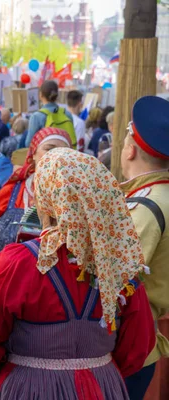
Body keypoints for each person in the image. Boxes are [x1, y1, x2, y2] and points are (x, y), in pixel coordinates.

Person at [0, 148, 156, 399]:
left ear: (48, 197)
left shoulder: (19, 262)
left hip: (29, 387)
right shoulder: (120, 263)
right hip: (101, 386)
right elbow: (138, 346)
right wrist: (96, 367)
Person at [119, 96, 169, 399]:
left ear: (130, 148)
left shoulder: (146, 206)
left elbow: (112, 279)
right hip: (144, 338)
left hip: (129, 341)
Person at [0, 128, 71, 253]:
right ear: (33, 154)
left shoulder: (74, 198)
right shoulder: (14, 191)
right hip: (5, 270)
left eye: (64, 151)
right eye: (49, 149)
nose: (56, 155)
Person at [23, 80, 75, 148]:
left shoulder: (36, 116)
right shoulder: (67, 114)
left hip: (46, 157)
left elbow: (29, 143)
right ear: (57, 95)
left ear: (40, 95)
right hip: (65, 155)